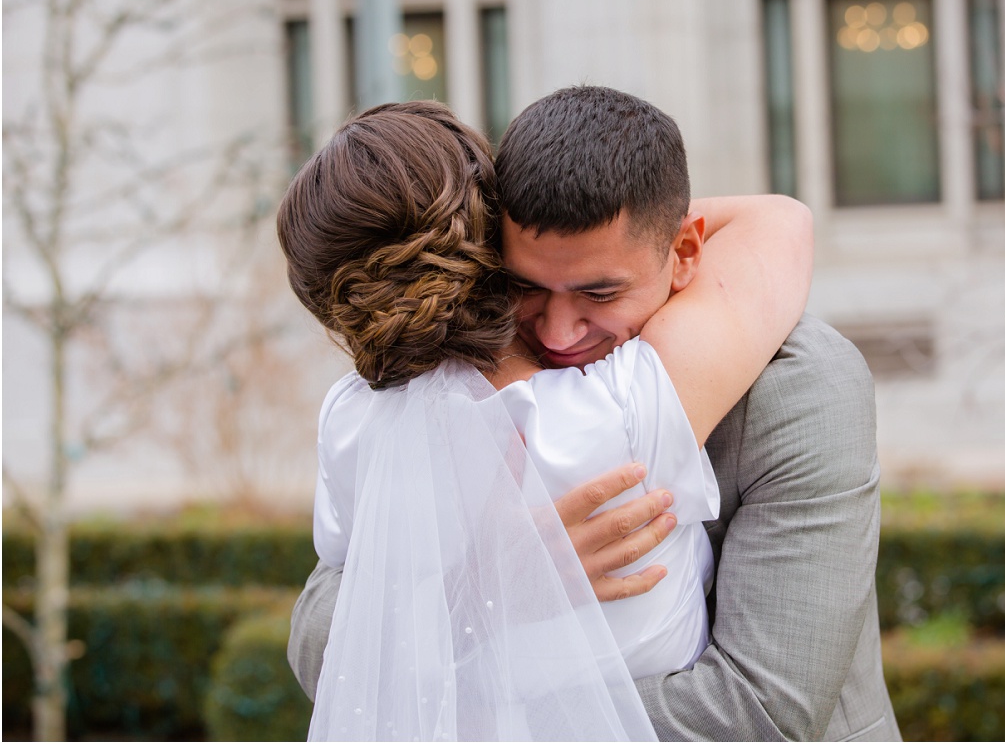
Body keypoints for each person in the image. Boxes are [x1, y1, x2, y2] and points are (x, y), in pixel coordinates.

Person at [289, 86, 902, 741]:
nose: (557, 330)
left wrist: (461, 705)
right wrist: (490, 579)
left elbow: (756, 711)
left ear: (687, 249)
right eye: (524, 285)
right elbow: (315, 633)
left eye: (599, 290)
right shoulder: (429, 397)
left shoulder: (799, 383)